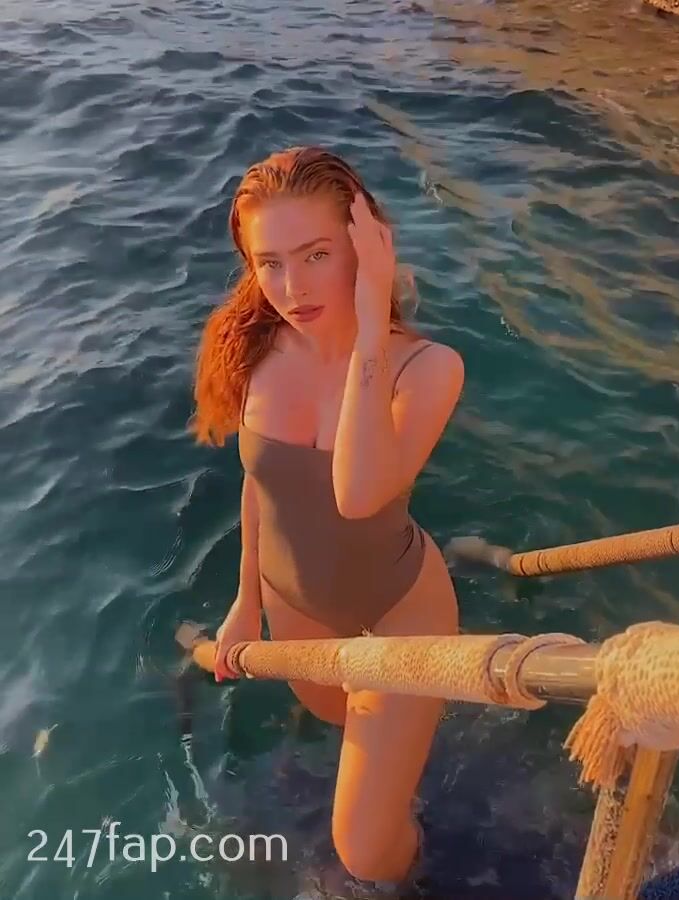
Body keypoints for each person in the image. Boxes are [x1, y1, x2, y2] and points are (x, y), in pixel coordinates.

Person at [189, 145, 464, 889]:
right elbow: (262, 484)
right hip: (295, 614)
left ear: (363, 244)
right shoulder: (257, 348)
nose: (292, 287)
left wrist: (370, 327)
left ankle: (434, 875)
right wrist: (245, 602)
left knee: (364, 852)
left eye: (316, 254)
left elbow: (357, 494)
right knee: (348, 743)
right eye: (270, 263)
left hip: (396, 613)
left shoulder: (426, 369)